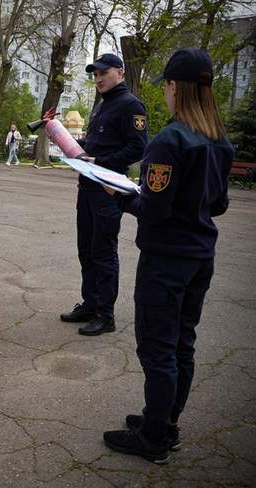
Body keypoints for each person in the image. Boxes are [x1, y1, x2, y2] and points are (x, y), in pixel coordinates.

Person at [102, 48, 233, 463]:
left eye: (167, 87)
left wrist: (122, 195)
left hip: (166, 260)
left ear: (175, 87)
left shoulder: (169, 140)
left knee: (157, 349)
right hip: (200, 256)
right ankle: (165, 421)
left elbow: (153, 211)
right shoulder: (219, 140)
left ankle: (156, 436)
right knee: (182, 345)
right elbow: (219, 205)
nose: (165, 94)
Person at [58, 53, 148, 336]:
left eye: (103, 73)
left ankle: (105, 315)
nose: (98, 79)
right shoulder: (102, 105)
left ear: (120, 73)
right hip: (87, 186)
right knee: (86, 248)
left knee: (103, 251)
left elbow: (137, 148)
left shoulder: (131, 106)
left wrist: (100, 162)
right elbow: (95, 142)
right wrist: (69, 143)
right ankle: (90, 303)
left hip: (108, 190)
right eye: (95, 75)